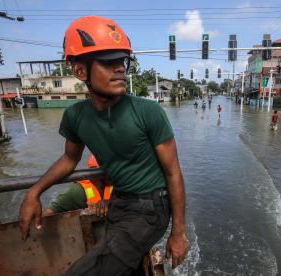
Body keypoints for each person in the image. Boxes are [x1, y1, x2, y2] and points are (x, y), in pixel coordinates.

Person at [18, 16, 188, 275]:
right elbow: (68, 159)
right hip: (118, 202)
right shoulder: (75, 116)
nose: (120, 68)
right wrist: (34, 192)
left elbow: (173, 172)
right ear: (79, 71)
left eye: (122, 61)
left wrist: (179, 233)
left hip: (152, 208)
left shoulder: (149, 111)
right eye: (109, 62)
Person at [42, 154, 112, 217]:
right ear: (102, 176)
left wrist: (113, 204)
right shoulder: (76, 191)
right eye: (113, 172)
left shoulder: (119, 187)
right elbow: (47, 213)